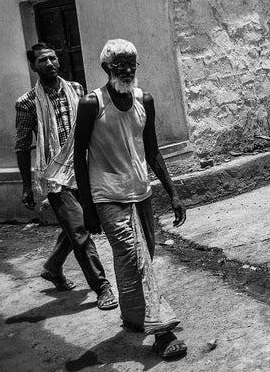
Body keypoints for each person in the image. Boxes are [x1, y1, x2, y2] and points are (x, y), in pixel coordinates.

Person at [72, 39, 188, 360]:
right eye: (119, 64)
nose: (126, 70)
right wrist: (87, 208)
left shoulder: (143, 101)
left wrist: (173, 194)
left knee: (139, 257)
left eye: (131, 64)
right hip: (107, 196)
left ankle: (133, 316)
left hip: (141, 193)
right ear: (106, 68)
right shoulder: (91, 104)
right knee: (134, 256)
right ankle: (162, 330)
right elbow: (78, 158)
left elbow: (152, 152)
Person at [14, 42, 117, 310]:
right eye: (42, 61)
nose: (49, 64)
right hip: (55, 175)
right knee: (80, 229)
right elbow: (23, 145)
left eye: (52, 58)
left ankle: (52, 266)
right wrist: (27, 185)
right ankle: (102, 287)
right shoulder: (26, 103)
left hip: (83, 167)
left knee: (74, 227)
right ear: (33, 66)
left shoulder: (77, 90)